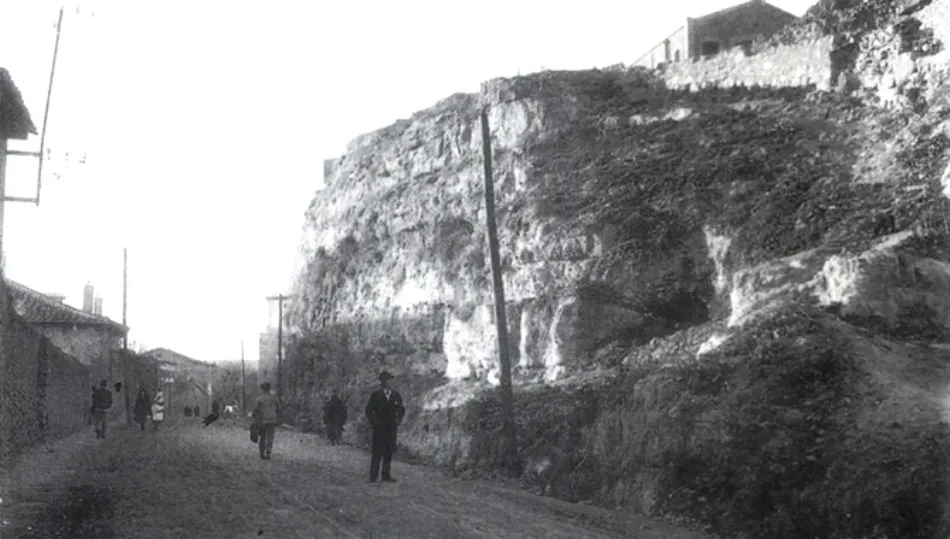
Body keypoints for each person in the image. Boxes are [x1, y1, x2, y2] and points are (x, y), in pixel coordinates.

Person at [364, 371, 405, 483]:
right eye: (387, 380)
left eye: (391, 380)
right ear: (382, 382)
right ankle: (373, 476)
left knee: (388, 452)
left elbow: (401, 410)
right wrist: (375, 422)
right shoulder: (376, 395)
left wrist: (398, 420)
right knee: (377, 452)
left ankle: (386, 475)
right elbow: (368, 411)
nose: (389, 383)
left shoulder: (396, 396)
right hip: (379, 429)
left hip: (391, 428)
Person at [252, 382, 281, 460]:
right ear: (269, 388)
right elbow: (279, 408)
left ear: (262, 389)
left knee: (263, 436)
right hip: (272, 419)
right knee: (270, 436)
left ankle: (262, 453)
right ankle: (268, 451)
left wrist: (254, 418)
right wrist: (277, 418)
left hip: (263, 420)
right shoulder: (274, 398)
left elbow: (255, 410)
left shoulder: (259, 399)